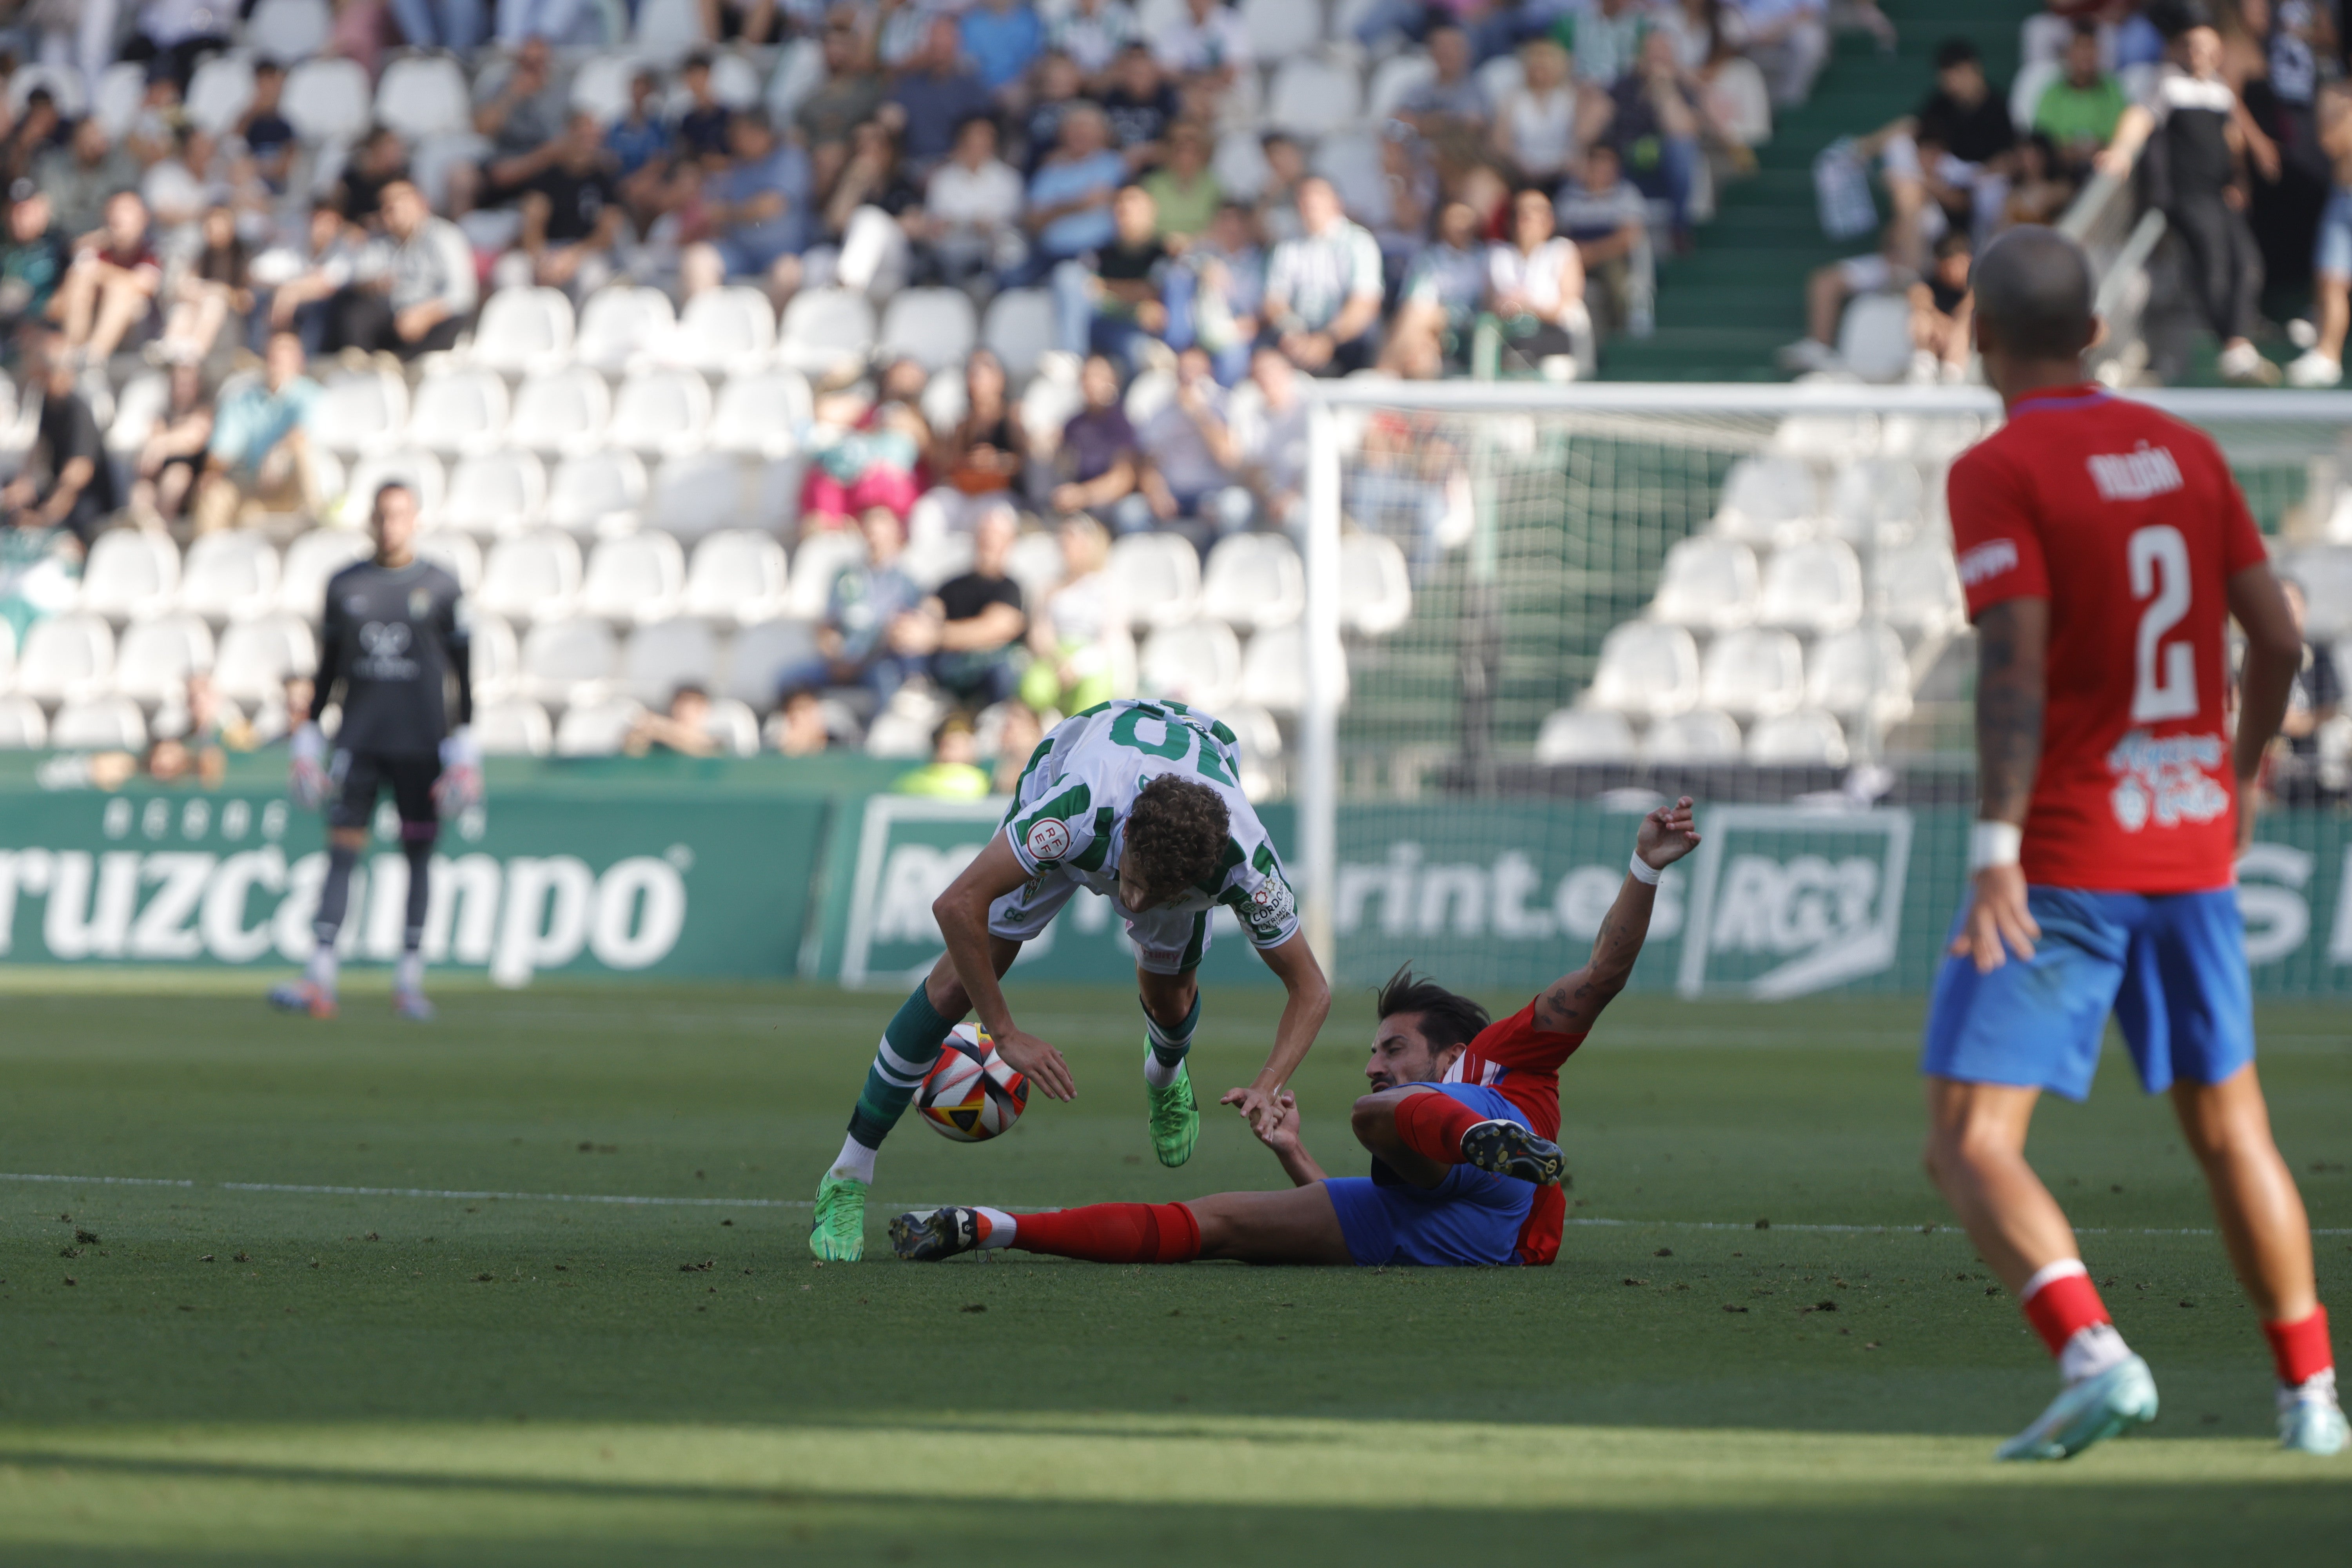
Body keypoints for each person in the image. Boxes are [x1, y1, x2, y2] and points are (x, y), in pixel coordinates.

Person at [1922, 224, 2343, 1460]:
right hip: (2190, 844)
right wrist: (2241, 770)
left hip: (2064, 851)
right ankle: (2311, 1401)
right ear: (2096, 333)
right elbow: (2278, 641)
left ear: (1979, 337)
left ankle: (2092, 1354)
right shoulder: (2185, 450)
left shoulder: (1998, 467)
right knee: (2232, 1131)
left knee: (1968, 1140)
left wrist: (1994, 845)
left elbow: (2013, 663)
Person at [890, 799, 1701, 1267]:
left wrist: (1645, 868)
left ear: (1453, 1054)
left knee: (1376, 1112)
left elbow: (1602, 974)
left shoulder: (1500, 1058)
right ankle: (989, 1225)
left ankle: (1479, 1136)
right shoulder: (1405, 1119)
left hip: (1506, 1188)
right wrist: (1291, 1151)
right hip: (1454, 1233)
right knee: (1218, 1224)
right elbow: (1369, 1193)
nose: (1375, 1061)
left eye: (1393, 1048)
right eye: (1375, 1050)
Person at [809, 696, 1332, 1261]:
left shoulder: (1246, 866)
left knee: (1172, 1002)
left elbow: (1312, 990)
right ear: (1128, 833)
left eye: (1158, 895)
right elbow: (956, 904)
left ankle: (1164, 1075)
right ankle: (847, 1176)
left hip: (1188, 789)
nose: (1133, 904)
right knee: (958, 982)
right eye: (1133, 882)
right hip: (1076, 764)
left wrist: (1268, 1082)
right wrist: (1004, 1033)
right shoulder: (1077, 810)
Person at [271, 482, 479, 1024]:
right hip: (359, 742)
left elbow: (463, 673)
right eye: (383, 516)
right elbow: (328, 670)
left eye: (400, 515)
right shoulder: (346, 585)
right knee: (342, 852)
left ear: (416, 520)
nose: (391, 526)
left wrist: (465, 746)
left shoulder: (441, 586)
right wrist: (309, 736)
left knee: (418, 856)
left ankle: (409, 978)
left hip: (421, 746)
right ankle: (320, 974)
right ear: (371, 520)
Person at [2097, 6, 2281, 385]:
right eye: (2193, 47)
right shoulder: (2167, 84)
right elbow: (2139, 119)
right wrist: (2120, 151)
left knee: (2249, 264)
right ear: (2181, 49)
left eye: (2208, 48)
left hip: (2219, 196)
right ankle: (2233, 345)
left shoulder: (2220, 91)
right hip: (2186, 196)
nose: (2201, 55)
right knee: (2213, 263)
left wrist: (2240, 179)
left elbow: (2232, 138)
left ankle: (2239, 343)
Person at [190, 330, 320, 535]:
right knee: (214, 493)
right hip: (254, 483)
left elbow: (302, 434)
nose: (277, 363)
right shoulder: (243, 400)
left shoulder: (310, 395)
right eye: (273, 357)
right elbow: (221, 452)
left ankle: (315, 521)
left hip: (291, 484)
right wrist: (213, 470)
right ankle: (207, 549)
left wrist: (278, 455)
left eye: (284, 357)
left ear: (298, 362)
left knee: (300, 453)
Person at [328, 180, 476, 359]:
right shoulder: (381, 241)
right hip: (396, 319)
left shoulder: (445, 237)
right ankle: (359, 359)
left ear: (421, 204)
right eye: (388, 209)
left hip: (432, 319)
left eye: (400, 206)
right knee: (353, 307)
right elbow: (354, 276)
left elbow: (462, 294)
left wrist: (425, 315)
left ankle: (404, 360)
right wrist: (373, 285)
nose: (395, 214)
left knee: (455, 320)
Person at [681, 110, 812, 306]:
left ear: (761, 133)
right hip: (739, 252)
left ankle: (768, 327)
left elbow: (770, 206)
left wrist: (726, 213)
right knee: (697, 259)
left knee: (788, 274)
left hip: (782, 255)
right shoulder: (737, 165)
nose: (734, 140)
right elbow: (715, 214)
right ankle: (705, 323)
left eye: (739, 134)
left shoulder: (790, 157)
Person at [906, 503, 1028, 709]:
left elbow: (997, 628)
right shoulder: (952, 585)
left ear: (1009, 543)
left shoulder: (1011, 588)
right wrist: (916, 629)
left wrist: (936, 637)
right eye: (985, 534)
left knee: (1005, 669)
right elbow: (927, 614)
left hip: (987, 673)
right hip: (949, 668)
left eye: (996, 536)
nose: (989, 541)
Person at [2, 331, 118, 544]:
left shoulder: (79, 410)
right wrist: (23, 485)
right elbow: (40, 450)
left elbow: (79, 472)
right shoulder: (47, 404)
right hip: (57, 487)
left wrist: (48, 516)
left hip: (85, 500)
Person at [1262, 176, 1384, 376]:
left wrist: (1328, 339)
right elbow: (1274, 300)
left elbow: (1365, 304)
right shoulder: (1287, 246)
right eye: (1304, 197)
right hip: (1298, 338)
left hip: (1346, 340)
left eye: (1317, 195)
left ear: (1336, 203)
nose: (1310, 202)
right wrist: (1292, 331)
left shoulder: (1359, 243)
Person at [1053, 182, 1167, 367]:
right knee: (1068, 273)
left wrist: (1106, 288)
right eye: (1120, 206)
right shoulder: (1100, 252)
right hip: (1102, 325)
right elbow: (1082, 291)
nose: (1125, 211)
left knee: (1144, 353)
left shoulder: (1164, 252)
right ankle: (1072, 359)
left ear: (1152, 211)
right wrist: (1131, 299)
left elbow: (1153, 299)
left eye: (1134, 205)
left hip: (1139, 333)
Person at [1020, 514, 1123, 716]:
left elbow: (1111, 638)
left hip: (1094, 657)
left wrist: (1078, 665)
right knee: (1033, 688)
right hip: (1054, 656)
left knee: (1094, 690)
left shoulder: (1108, 586)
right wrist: (1058, 660)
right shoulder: (1048, 587)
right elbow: (1040, 631)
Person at [2286, 78, 2352, 387]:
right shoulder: (2336, 96)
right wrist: (2339, 112)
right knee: (2330, 280)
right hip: (2343, 197)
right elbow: (2330, 142)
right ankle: (2327, 357)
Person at [1553, 142, 1652, 339]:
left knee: (1617, 282)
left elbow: (1630, 237)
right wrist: (1577, 257)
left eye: (1607, 166)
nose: (1602, 171)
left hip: (1611, 259)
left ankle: (1618, 335)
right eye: (1597, 164)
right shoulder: (1568, 196)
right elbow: (1559, 234)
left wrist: (1592, 253)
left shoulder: (1627, 195)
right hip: (1574, 260)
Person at [1487, 183, 1591, 371]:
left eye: (1536, 214)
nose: (1526, 222)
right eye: (1521, 215)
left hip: (1553, 335)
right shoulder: (1499, 256)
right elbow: (1489, 304)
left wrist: (1528, 306)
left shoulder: (1562, 250)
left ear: (1549, 221)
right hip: (1510, 337)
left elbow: (1568, 306)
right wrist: (1505, 307)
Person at [53, 189, 162, 366]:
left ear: (144, 218)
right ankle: (75, 350)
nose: (119, 217)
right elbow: (61, 301)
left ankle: (94, 357)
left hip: (138, 328)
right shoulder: (96, 247)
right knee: (80, 278)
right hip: (92, 318)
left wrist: (101, 272)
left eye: (127, 210)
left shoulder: (151, 249)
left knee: (121, 290)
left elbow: (145, 284)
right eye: (114, 210)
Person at [1051, 353, 1146, 530]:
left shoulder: (1123, 422)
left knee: (1130, 513)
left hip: (1111, 501)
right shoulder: (1073, 425)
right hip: (1080, 496)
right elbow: (1064, 466)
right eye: (1087, 377)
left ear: (1113, 381)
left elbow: (1123, 479)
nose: (1092, 383)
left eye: (1098, 377)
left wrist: (1083, 495)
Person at [2034, 19, 2130, 181]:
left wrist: (2098, 150)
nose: (2086, 55)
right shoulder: (2052, 93)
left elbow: (2121, 134)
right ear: (2068, 53)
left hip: (2105, 173)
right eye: (2080, 48)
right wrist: (2067, 152)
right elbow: (2044, 139)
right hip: (2060, 174)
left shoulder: (2113, 91)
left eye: (2091, 47)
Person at [126, 361, 213, 528]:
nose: (183, 389)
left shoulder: (203, 410)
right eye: (179, 383)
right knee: (141, 491)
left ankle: (164, 529)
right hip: (160, 475)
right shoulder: (164, 413)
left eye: (188, 384)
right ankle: (148, 534)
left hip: (193, 481)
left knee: (176, 478)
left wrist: (162, 445)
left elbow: (194, 439)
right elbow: (149, 448)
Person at [0, 183, 70, 347]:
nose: (19, 219)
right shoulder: (5, 247)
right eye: (13, 212)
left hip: (45, 329)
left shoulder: (59, 245)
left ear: (42, 211)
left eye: (25, 212)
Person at [1732, 0, 1828, 110]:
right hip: (1748, 21)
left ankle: (1790, 104)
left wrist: (1778, 30)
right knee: (1731, 27)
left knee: (1811, 40)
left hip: (1790, 24)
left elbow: (1811, 10)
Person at [1907, 228, 1974, 382]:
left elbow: (1965, 314)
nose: (1953, 272)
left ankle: (1953, 374)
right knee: (1920, 320)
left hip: (1964, 347)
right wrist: (1941, 324)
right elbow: (1919, 298)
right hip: (1935, 341)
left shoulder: (1976, 287)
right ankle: (1925, 368)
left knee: (1962, 328)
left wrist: (1952, 330)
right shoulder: (1930, 284)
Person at [623, 683, 721, 757]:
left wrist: (659, 726)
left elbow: (704, 745)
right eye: (680, 703)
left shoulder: (713, 743)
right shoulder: (657, 740)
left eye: (691, 705)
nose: (682, 709)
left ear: (704, 708)